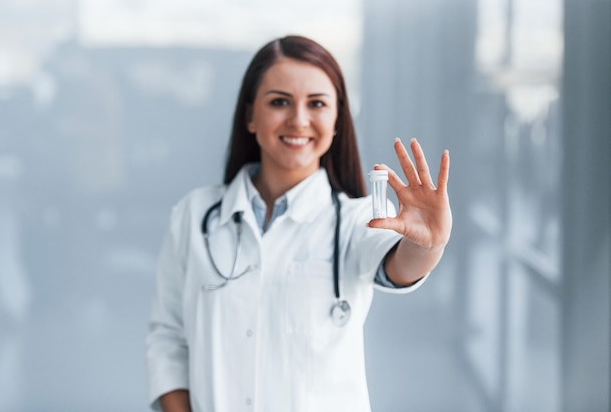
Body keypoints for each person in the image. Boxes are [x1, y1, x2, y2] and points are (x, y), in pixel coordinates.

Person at [146, 35, 452, 412]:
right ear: (250, 117)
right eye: (279, 102)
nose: (299, 120)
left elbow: (398, 265)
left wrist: (429, 245)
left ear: (337, 117)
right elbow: (168, 341)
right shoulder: (194, 216)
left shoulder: (359, 219)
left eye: (317, 104)